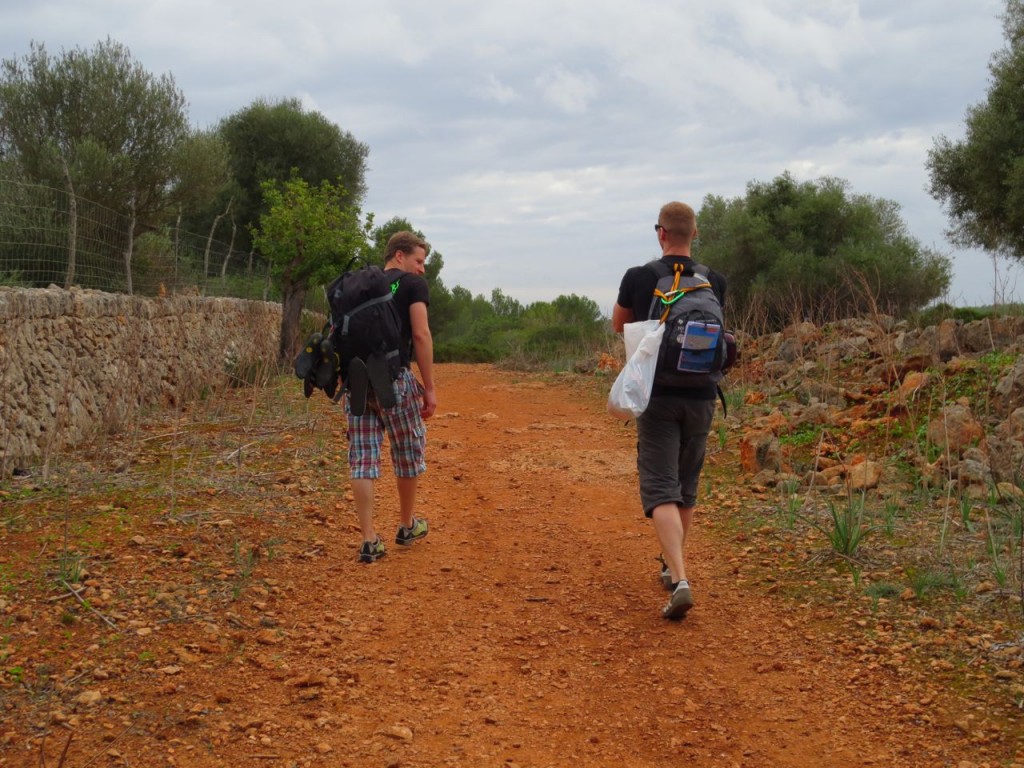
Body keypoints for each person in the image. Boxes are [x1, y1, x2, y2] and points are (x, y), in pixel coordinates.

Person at [611, 201, 727, 620]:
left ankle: (679, 577)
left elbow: (619, 325)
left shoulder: (640, 277)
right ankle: (669, 563)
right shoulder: (713, 280)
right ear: (693, 234)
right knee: (686, 484)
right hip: (702, 396)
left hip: (656, 395)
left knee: (661, 486)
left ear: (660, 233)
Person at [348, 231, 438, 564]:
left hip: (357, 382)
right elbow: (421, 333)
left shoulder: (362, 286)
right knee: (407, 450)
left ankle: (369, 540)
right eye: (419, 260)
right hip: (394, 381)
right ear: (399, 256)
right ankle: (406, 524)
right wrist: (429, 386)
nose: (422, 269)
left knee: (363, 456)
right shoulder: (412, 286)